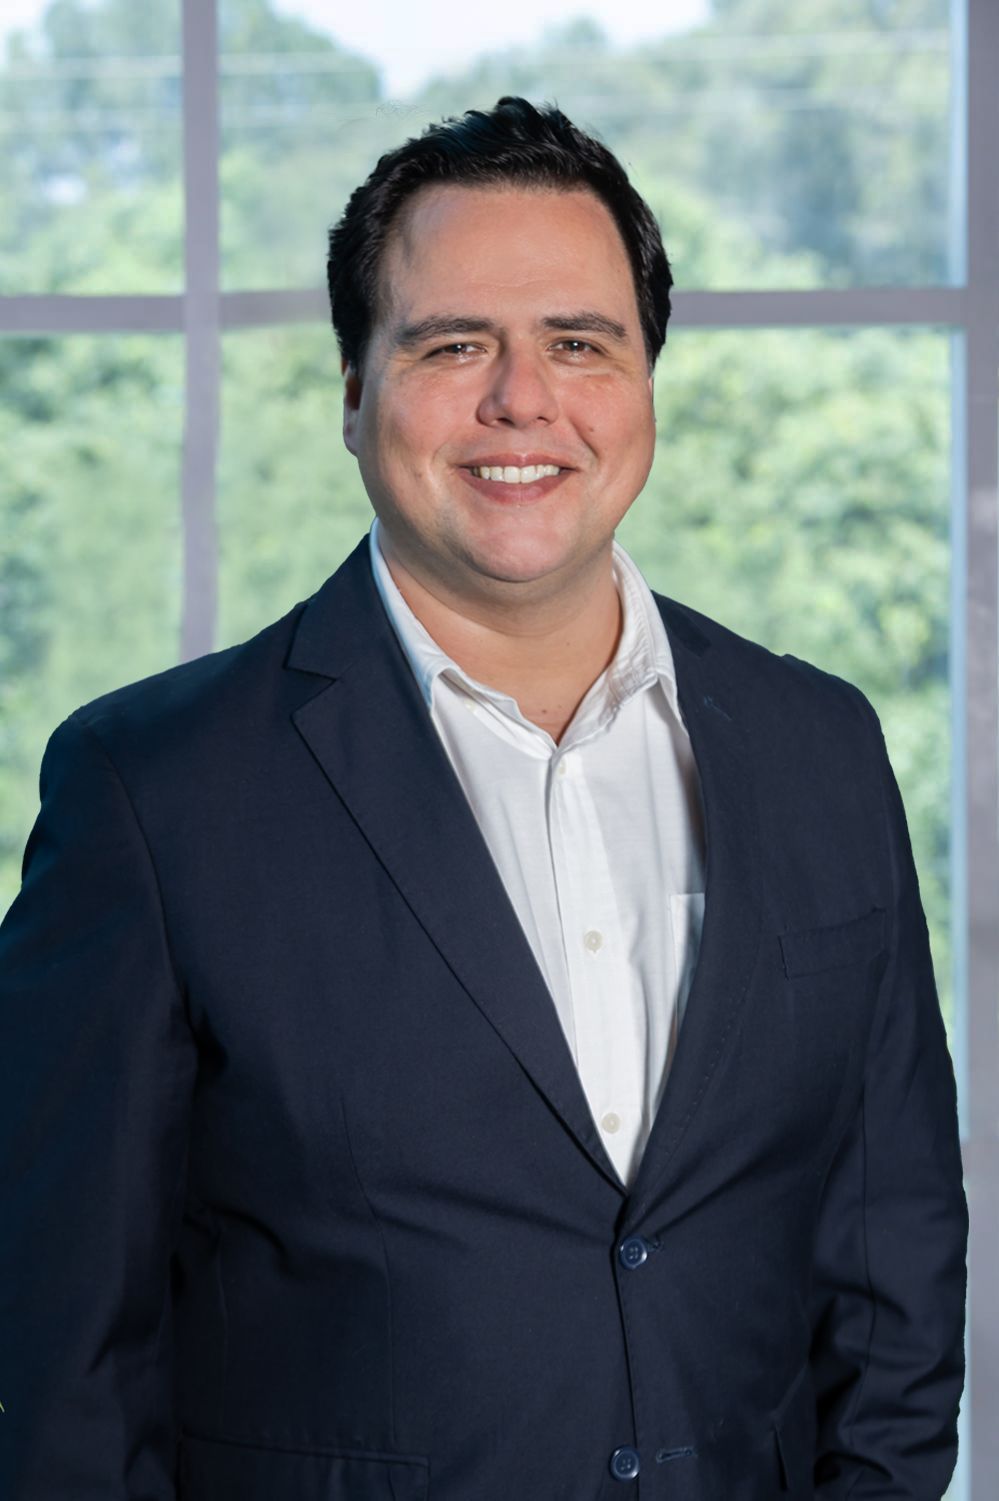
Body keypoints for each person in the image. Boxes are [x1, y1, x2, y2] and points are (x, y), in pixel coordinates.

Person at [0, 96, 967, 1500]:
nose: (523, 400)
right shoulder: (152, 792)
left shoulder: (822, 747)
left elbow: (894, 1267)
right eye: (453, 345)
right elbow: (68, 1366)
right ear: (352, 391)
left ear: (645, 383)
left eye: (581, 343)